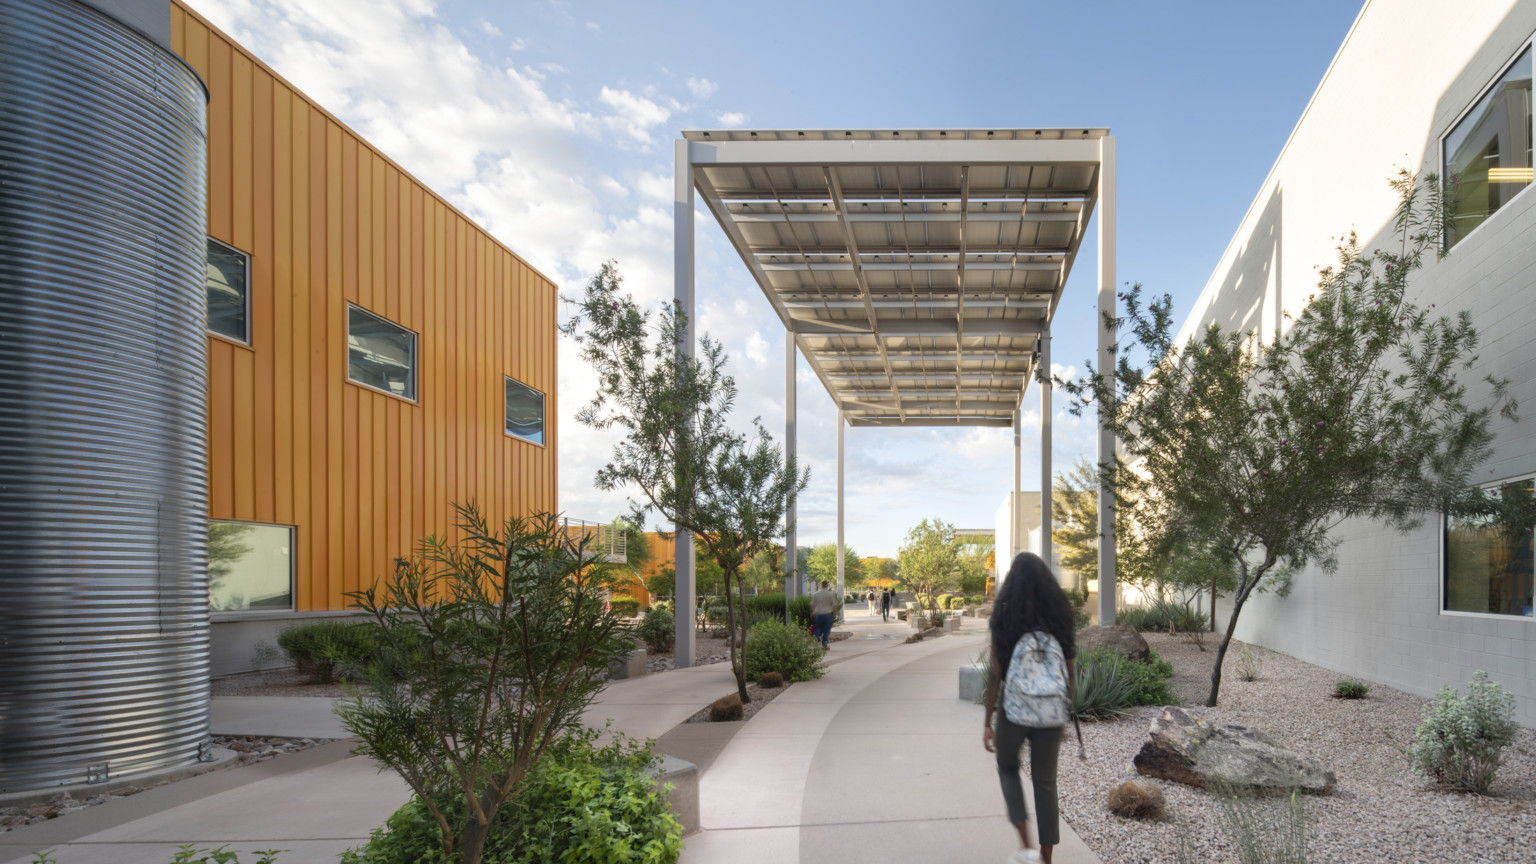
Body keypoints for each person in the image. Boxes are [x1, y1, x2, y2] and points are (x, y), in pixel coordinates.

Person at [983, 553, 1076, 864]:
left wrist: (987, 721)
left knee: (1008, 767)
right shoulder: (1061, 616)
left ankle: (1026, 849)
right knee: (1045, 782)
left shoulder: (1005, 616)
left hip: (1014, 712)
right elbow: (1070, 669)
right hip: (1051, 713)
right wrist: (1063, 706)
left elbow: (995, 672)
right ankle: (1046, 857)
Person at [809, 580, 836, 649]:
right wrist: (835, 614)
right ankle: (824, 645)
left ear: (821, 585)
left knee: (818, 628)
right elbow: (834, 605)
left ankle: (816, 637)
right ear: (827, 585)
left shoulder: (816, 594)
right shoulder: (830, 594)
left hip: (818, 614)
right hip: (827, 614)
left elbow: (812, 604)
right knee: (826, 630)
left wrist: (812, 612)